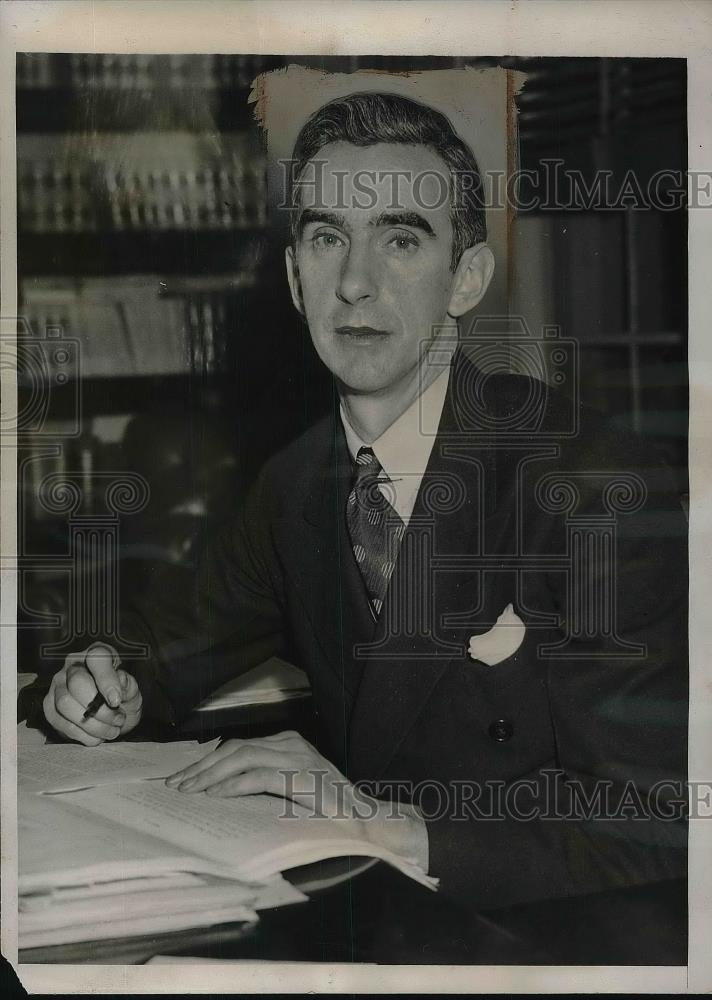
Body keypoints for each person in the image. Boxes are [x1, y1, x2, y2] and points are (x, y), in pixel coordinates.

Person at [41, 91, 687, 911]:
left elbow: (652, 819)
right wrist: (104, 682)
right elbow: (159, 648)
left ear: (468, 278)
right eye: (326, 238)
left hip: (546, 936)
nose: (354, 283)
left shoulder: (593, 483)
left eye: (401, 239)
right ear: (293, 278)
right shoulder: (297, 483)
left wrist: (384, 824)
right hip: (375, 922)